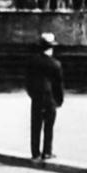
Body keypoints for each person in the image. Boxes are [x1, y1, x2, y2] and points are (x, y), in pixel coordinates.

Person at [25, 33, 64, 162]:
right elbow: (58, 85)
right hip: (50, 98)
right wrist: (59, 100)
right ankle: (47, 151)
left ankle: (35, 153)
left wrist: (32, 94)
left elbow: (28, 82)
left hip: (36, 97)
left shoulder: (32, 62)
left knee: (35, 126)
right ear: (51, 48)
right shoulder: (55, 64)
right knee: (49, 127)